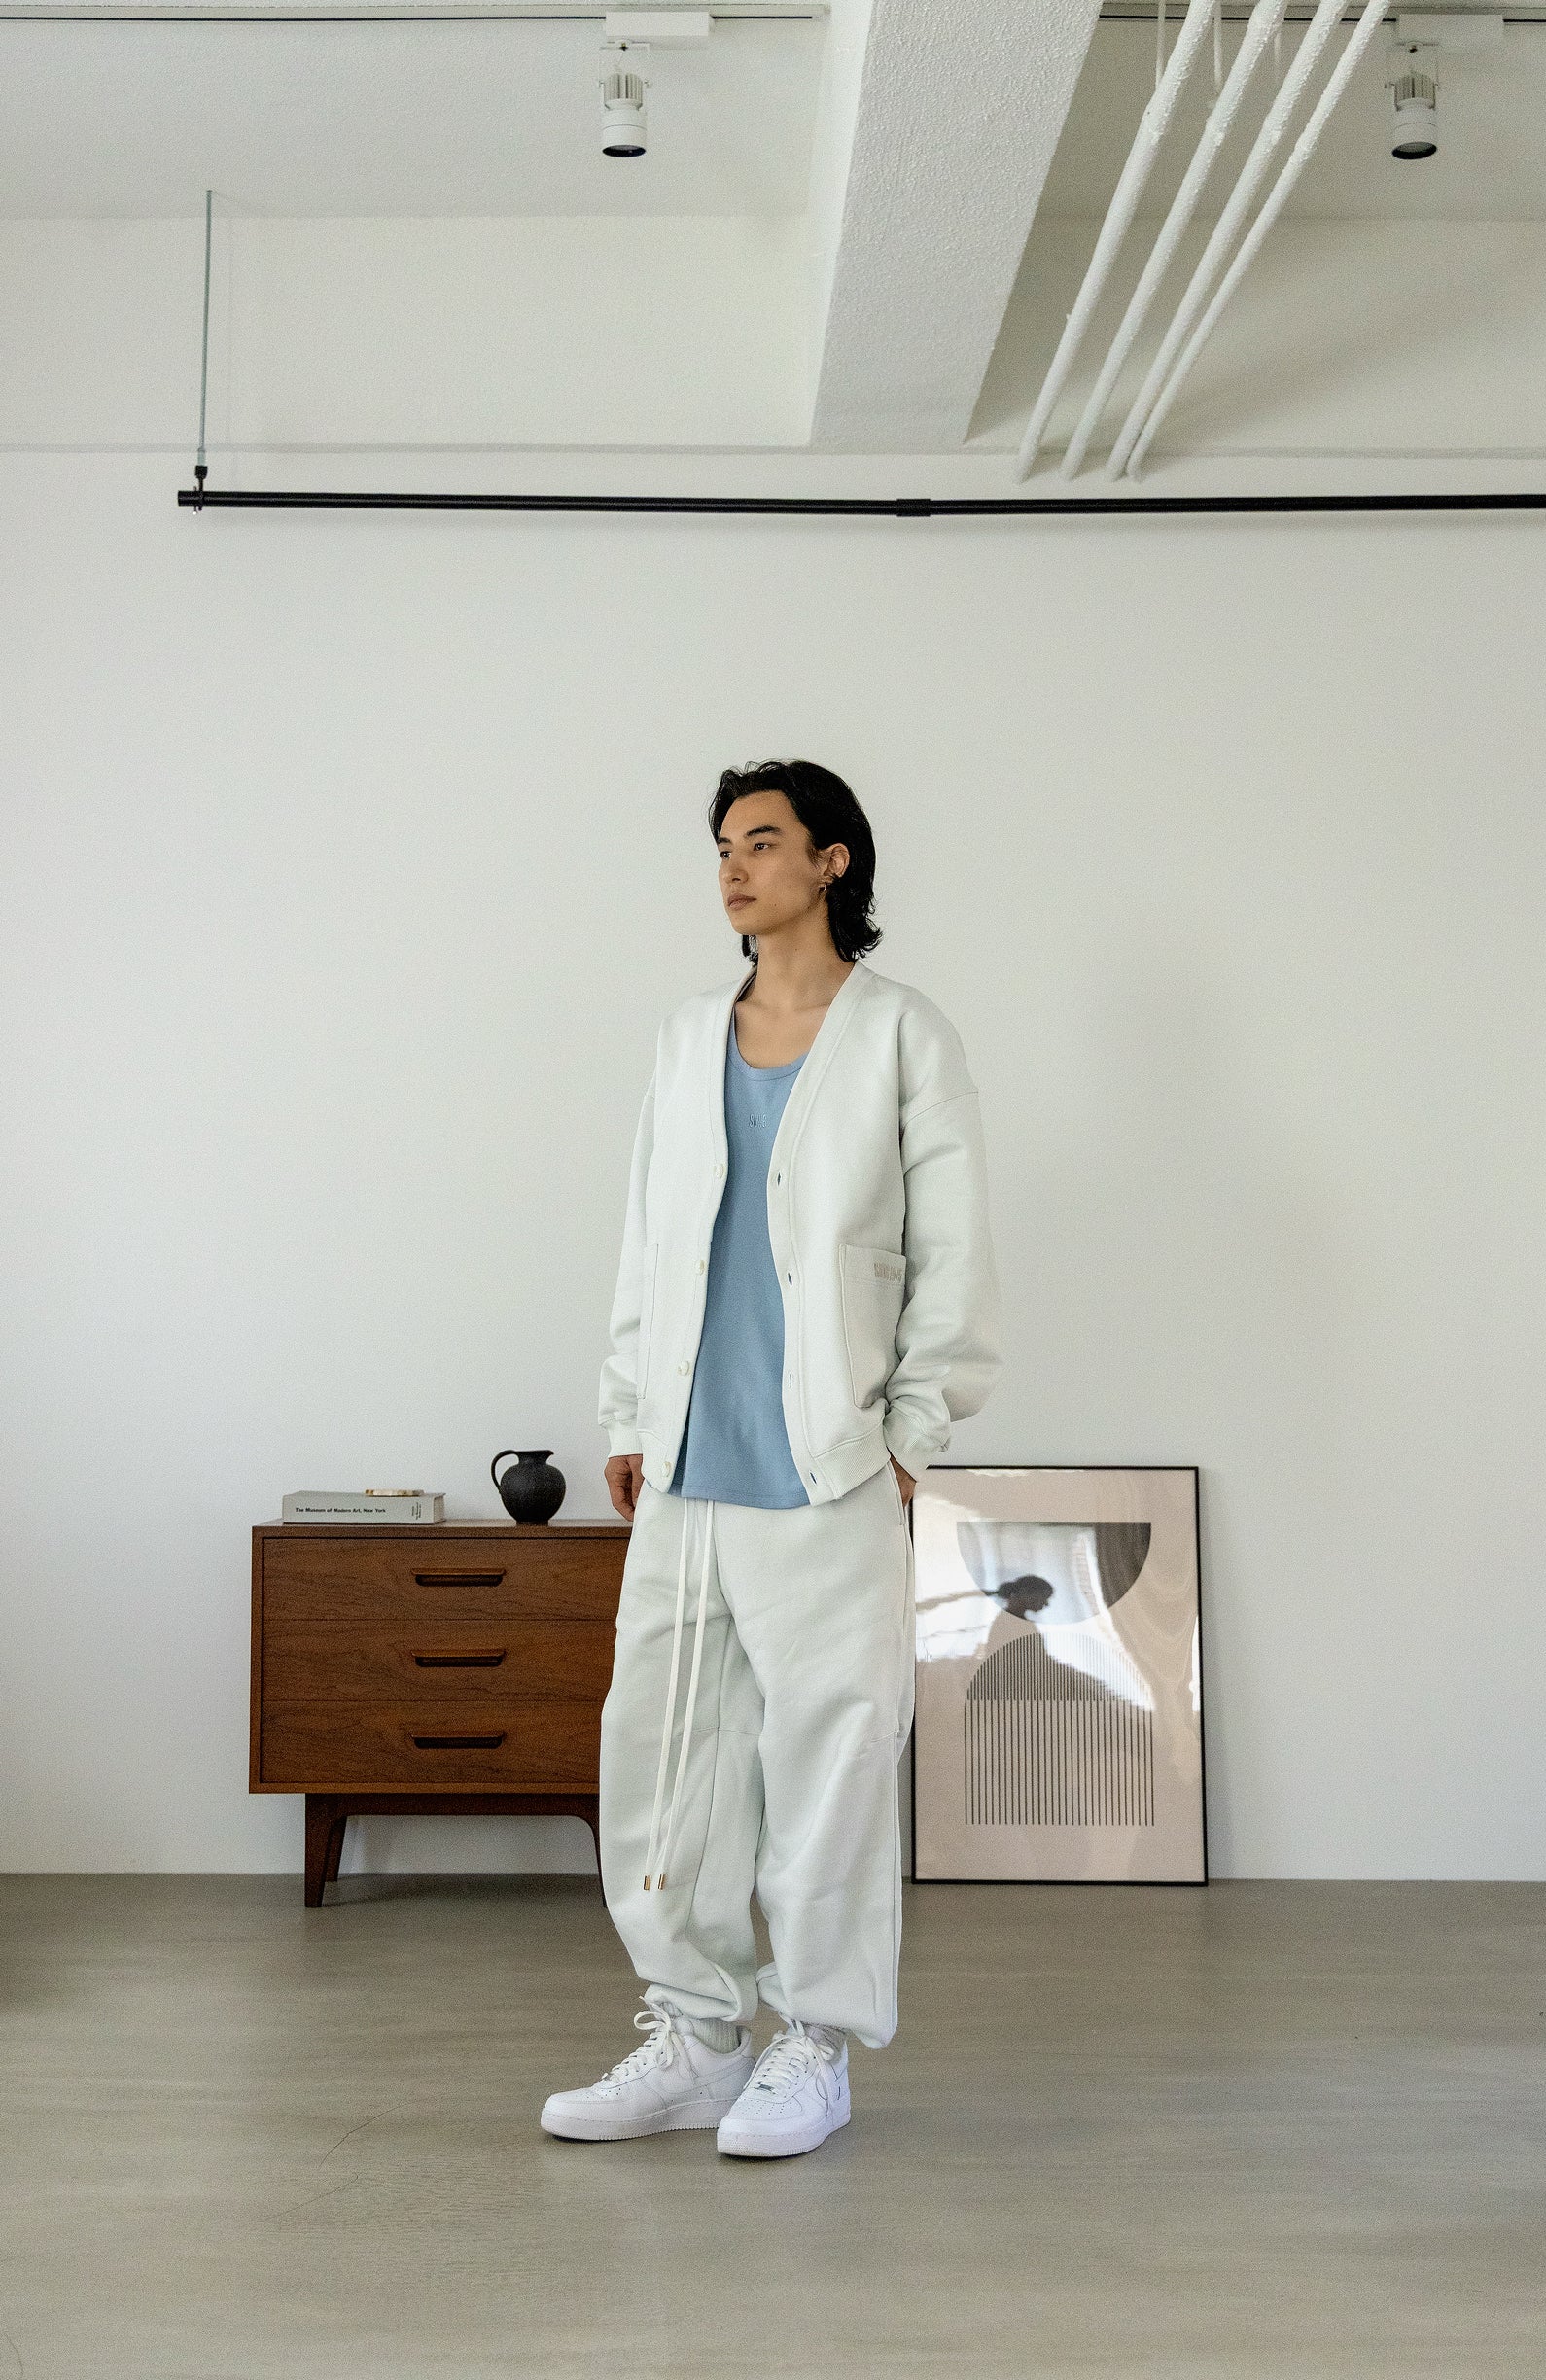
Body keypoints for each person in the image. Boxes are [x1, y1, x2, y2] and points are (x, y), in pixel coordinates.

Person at [540, 758, 1001, 2159]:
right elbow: (648, 1235)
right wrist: (630, 1415)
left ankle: (816, 2042)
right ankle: (695, 2036)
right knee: (661, 1757)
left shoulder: (903, 1033)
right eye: (724, 850)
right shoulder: (691, 1037)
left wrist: (913, 1433)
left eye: (761, 843)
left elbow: (954, 1254)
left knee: (831, 1754)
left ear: (832, 861)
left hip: (829, 1462)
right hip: (688, 1463)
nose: (734, 870)